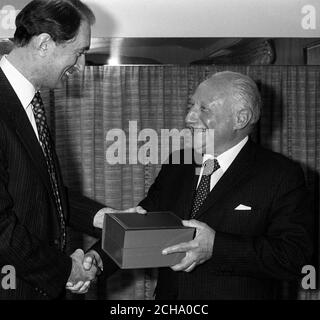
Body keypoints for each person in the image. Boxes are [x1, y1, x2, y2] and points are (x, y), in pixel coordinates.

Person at [118, 71, 313, 299]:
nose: (189, 117)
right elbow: (144, 222)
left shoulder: (281, 174)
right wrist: (95, 261)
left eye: (204, 109)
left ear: (240, 118)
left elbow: (294, 256)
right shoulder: (177, 164)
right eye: (191, 106)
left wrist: (216, 247)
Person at [0, 0, 115, 299]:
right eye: (78, 53)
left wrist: (103, 217)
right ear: (44, 44)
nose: (80, 66)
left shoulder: (29, 102)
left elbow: (39, 189)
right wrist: (66, 269)